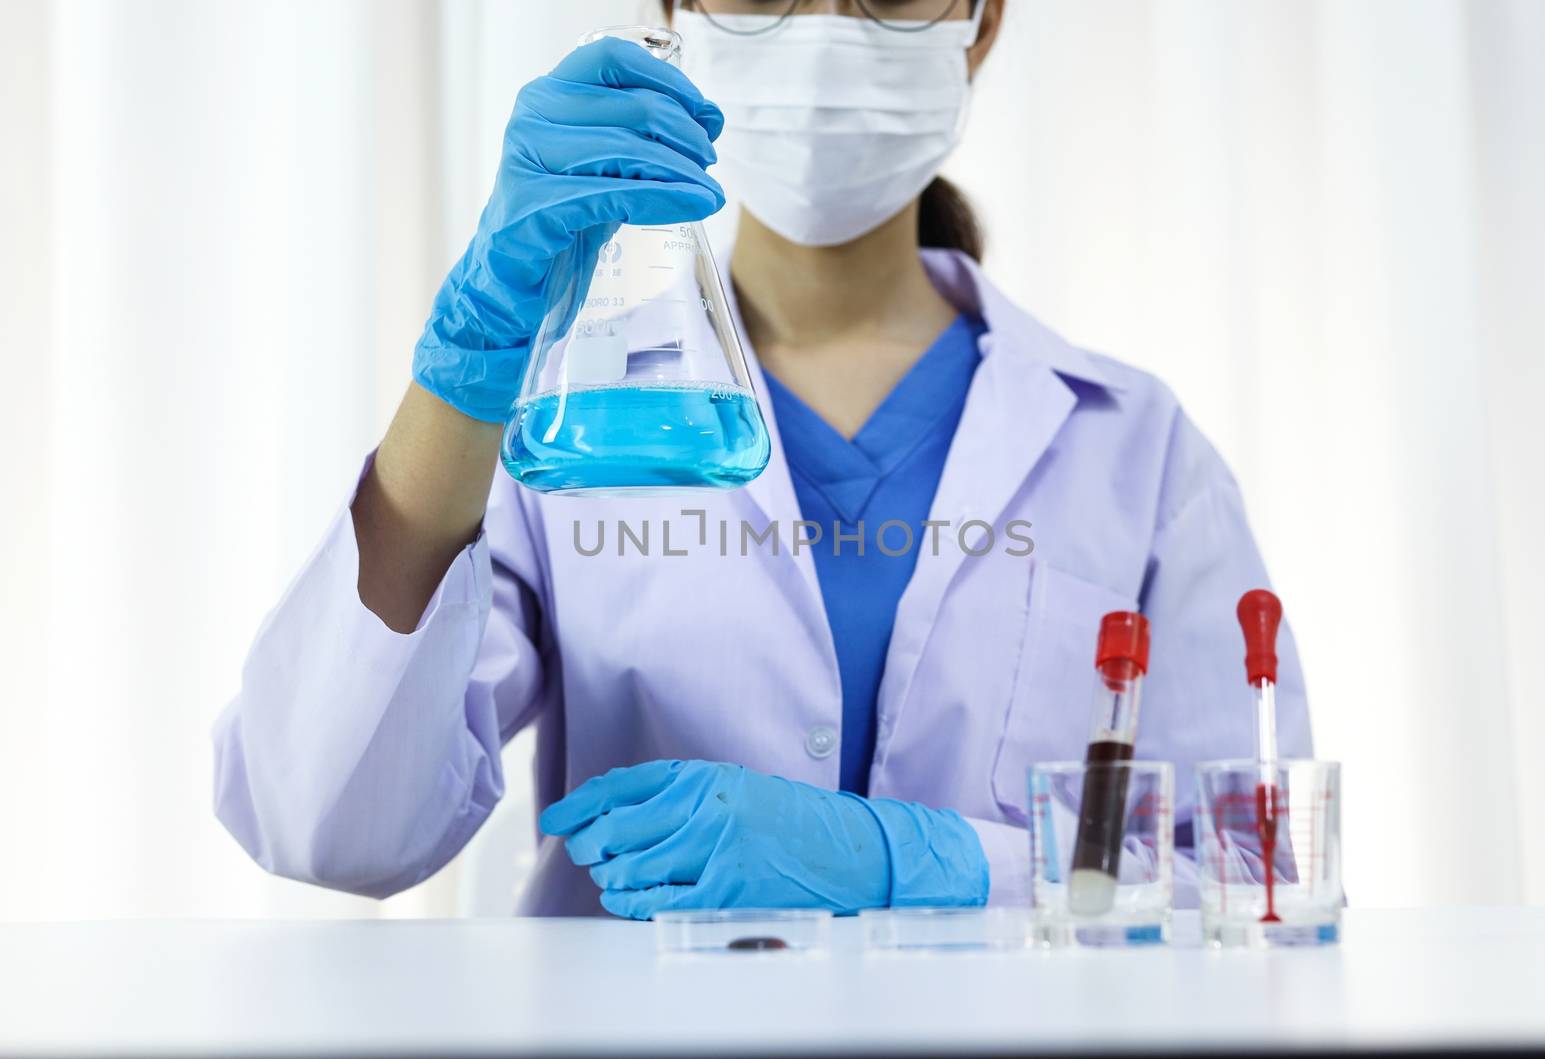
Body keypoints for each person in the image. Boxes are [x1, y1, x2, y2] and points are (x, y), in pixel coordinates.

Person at [213, 0, 1311, 918]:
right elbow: (326, 818)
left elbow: (1261, 878)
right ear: (674, 19)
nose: (823, 35)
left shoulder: (1132, 447)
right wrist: (470, 356)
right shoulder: (573, 418)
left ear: (979, 25)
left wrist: (920, 862)